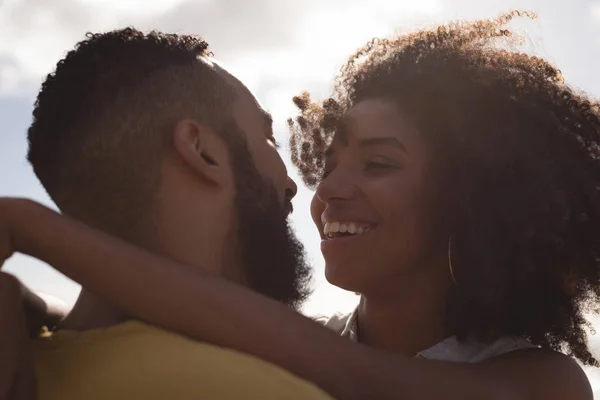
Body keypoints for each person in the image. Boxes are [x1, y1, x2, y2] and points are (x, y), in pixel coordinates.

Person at [1, 10, 596, 400]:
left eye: (379, 163)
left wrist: (30, 226)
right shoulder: (305, 339)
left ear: (475, 198)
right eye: (329, 163)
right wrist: (20, 300)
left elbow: (320, 360)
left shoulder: (543, 381)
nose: (325, 190)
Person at [1, 28, 332, 400]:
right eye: (268, 139)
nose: (290, 184)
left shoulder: (26, 362)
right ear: (202, 151)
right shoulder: (254, 389)